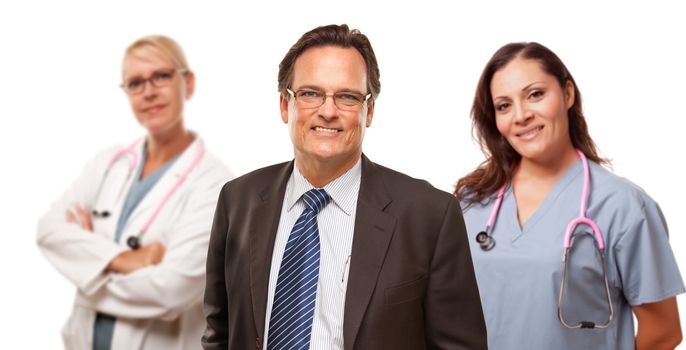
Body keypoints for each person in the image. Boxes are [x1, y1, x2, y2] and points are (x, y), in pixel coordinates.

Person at [202, 24, 486, 350]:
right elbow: (219, 333)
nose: (327, 111)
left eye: (347, 97)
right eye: (310, 93)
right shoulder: (238, 200)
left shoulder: (430, 215)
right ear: (285, 105)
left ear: (369, 112)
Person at [455, 41, 684, 349]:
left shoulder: (623, 207)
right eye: (504, 106)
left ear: (567, 94)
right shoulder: (471, 203)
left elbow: (663, 332)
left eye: (535, 94)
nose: (521, 115)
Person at [37, 35, 232, 350]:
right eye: (135, 83)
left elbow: (170, 292)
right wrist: (123, 259)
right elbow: (49, 231)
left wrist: (84, 268)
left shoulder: (215, 185)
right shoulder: (108, 164)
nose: (149, 92)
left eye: (162, 76)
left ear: (189, 83)